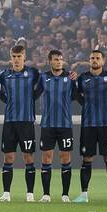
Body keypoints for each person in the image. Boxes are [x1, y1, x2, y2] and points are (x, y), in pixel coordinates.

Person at [71, 48, 107, 203]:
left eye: (97, 58)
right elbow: (76, 95)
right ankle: (84, 195)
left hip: (105, 124)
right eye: (92, 58)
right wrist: (85, 104)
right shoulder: (82, 79)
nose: (94, 60)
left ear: (103, 61)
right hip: (88, 125)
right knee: (87, 159)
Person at [0, 44, 42, 201]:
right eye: (13, 57)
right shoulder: (4, 75)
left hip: (26, 121)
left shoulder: (32, 73)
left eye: (19, 57)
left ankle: (30, 194)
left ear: (24, 57)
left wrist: (32, 97)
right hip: (10, 122)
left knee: (28, 157)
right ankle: (6, 193)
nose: (16, 60)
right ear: (10, 58)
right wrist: (6, 99)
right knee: (8, 157)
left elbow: (42, 86)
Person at [37, 49, 76, 202]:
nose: (59, 61)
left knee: (65, 158)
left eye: (60, 59)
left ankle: (65, 194)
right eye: (55, 59)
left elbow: (76, 96)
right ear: (50, 61)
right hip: (47, 124)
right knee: (46, 158)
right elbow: (34, 94)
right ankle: (46, 194)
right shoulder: (43, 78)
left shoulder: (70, 78)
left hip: (65, 124)